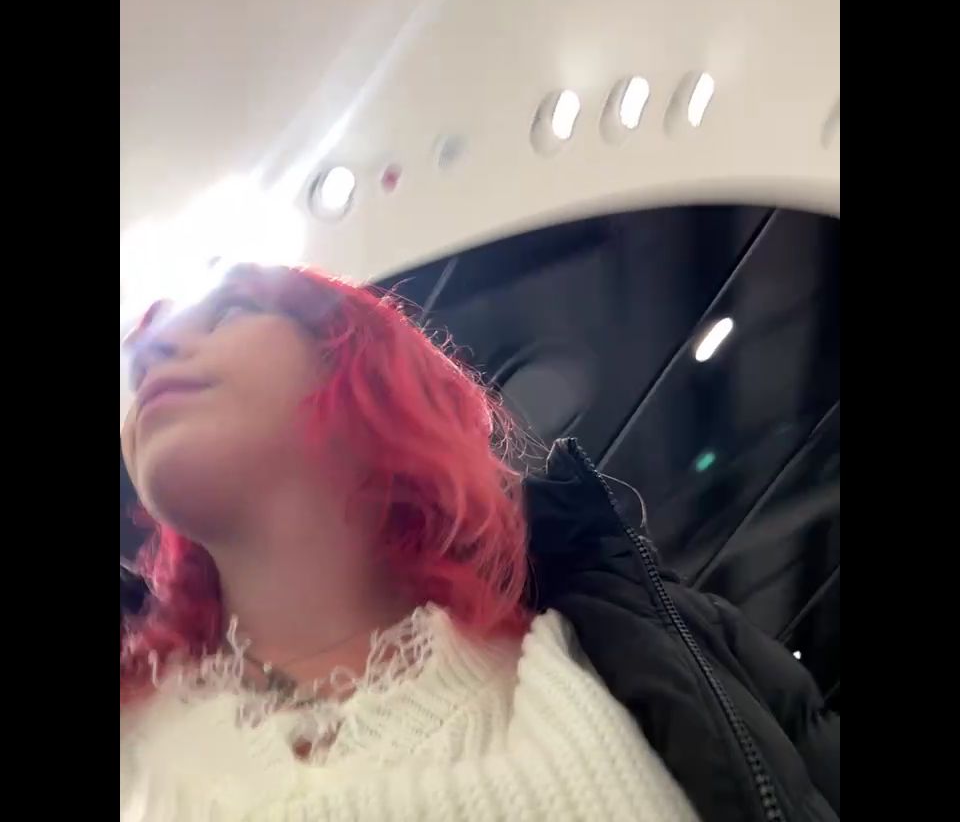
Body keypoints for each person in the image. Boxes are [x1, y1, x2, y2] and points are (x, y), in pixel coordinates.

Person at [120, 264, 839, 822]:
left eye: (231, 310)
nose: (147, 354)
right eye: (138, 357)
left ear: (358, 365)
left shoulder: (635, 651)